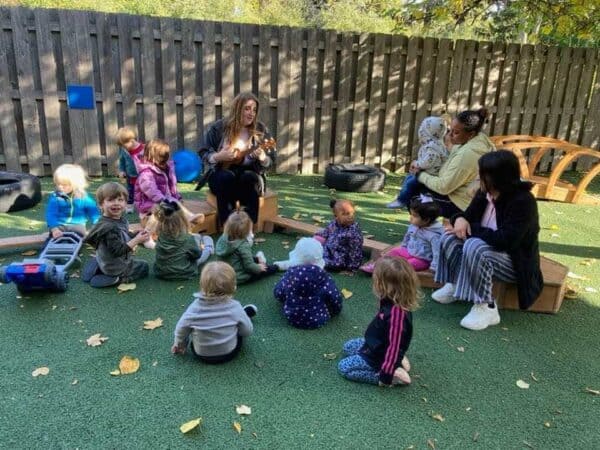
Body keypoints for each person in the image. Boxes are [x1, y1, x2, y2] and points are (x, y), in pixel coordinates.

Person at [431, 150, 543, 331]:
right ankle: (455, 285)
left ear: (498, 177)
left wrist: (470, 228)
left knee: (474, 245)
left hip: (514, 263)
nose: (479, 177)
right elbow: (467, 217)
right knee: (450, 236)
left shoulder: (523, 201)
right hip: (485, 252)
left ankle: (486, 306)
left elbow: (505, 241)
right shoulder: (485, 193)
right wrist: (458, 219)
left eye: (483, 174)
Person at [338, 257, 419, 386]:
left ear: (384, 285)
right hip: (374, 346)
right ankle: (399, 361)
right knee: (348, 346)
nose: (374, 282)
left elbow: (395, 346)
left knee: (344, 368)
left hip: (380, 356)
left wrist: (385, 377)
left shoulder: (397, 314)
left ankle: (392, 374)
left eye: (376, 279)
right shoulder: (388, 299)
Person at [198, 92, 276, 225]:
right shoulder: (219, 127)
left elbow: (270, 161)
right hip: (222, 177)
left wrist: (263, 158)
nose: (251, 113)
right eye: (247, 108)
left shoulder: (261, 129)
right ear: (237, 108)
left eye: (254, 110)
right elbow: (203, 152)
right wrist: (218, 156)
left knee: (249, 177)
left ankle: (249, 228)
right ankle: (227, 227)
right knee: (225, 177)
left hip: (247, 179)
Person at [171, 261, 258, 364]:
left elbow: (181, 329)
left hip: (201, 355)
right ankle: (245, 313)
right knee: (238, 321)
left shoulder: (194, 309)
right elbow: (247, 331)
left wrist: (179, 345)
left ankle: (242, 315)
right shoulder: (234, 307)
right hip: (229, 353)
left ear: (202, 286)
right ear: (234, 287)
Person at [415, 108, 495, 218]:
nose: (450, 135)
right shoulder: (479, 141)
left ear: (471, 134)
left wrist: (419, 175)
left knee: (415, 195)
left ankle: (428, 231)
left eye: (456, 132)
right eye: (450, 130)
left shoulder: (468, 154)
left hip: (463, 205)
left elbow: (444, 187)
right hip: (468, 198)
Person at [135, 139, 203, 248]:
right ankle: (146, 237)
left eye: (166, 158)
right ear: (152, 157)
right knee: (162, 209)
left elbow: (172, 186)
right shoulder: (146, 174)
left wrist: (177, 197)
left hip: (165, 205)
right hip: (147, 212)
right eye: (162, 159)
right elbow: (151, 191)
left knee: (174, 205)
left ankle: (189, 220)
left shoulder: (167, 168)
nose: (165, 162)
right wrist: (165, 201)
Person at [82, 182, 150, 288]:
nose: (116, 203)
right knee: (144, 266)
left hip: (105, 259)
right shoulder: (109, 228)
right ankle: (118, 279)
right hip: (116, 266)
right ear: (101, 204)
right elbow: (118, 251)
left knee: (109, 260)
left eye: (120, 200)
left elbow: (122, 235)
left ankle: (99, 265)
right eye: (111, 200)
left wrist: (135, 234)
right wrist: (137, 240)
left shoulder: (109, 221)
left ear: (125, 203)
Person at [361, 195, 444, 273]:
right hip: (409, 251)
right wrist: (403, 247)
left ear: (426, 220)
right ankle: (376, 266)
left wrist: (434, 267)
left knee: (405, 265)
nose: (411, 217)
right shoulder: (414, 226)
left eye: (414, 216)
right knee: (393, 252)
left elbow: (437, 252)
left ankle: (385, 271)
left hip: (422, 260)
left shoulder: (434, 235)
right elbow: (407, 237)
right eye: (411, 214)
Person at [273, 237, 343, 329]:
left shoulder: (290, 274)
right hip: (319, 319)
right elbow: (334, 296)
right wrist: (336, 310)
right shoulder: (323, 277)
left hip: (292, 316)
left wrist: (285, 299)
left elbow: (279, 292)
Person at [387, 116, 448, 209]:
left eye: (422, 130)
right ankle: (403, 197)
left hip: (430, 175)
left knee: (410, 183)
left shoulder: (432, 147)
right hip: (427, 173)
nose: (420, 132)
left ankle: (401, 200)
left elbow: (429, 161)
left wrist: (418, 164)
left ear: (427, 132)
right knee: (408, 179)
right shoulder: (435, 144)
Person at [153, 200, 214, 280]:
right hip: (184, 272)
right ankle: (209, 248)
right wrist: (200, 248)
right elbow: (197, 255)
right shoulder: (187, 238)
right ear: (182, 219)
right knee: (208, 240)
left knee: (196, 238)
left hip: (160, 272)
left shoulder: (161, 235)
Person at [215, 210, 277, 284]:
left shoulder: (223, 238)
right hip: (237, 277)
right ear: (247, 231)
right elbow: (249, 266)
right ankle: (277, 266)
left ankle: (258, 259)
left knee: (251, 258)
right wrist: (259, 268)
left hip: (222, 274)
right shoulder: (243, 244)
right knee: (266, 269)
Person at [45, 164, 100, 238]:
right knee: (53, 238)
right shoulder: (56, 197)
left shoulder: (82, 196)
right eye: (58, 184)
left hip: (77, 225)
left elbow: (93, 211)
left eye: (64, 185)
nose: (60, 187)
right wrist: (54, 229)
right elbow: (51, 214)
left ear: (75, 184)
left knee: (78, 236)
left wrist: (96, 222)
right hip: (60, 225)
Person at [314, 199, 363, 271]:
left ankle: (318, 263)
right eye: (344, 214)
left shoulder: (353, 232)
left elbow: (355, 250)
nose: (349, 216)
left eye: (351, 213)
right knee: (316, 253)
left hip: (339, 259)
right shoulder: (333, 224)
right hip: (328, 251)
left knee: (320, 262)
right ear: (336, 216)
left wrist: (352, 267)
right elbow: (326, 232)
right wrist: (318, 236)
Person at [116, 126, 144, 214]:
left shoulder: (143, 149)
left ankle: (144, 204)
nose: (123, 147)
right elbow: (122, 161)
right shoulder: (124, 150)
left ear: (131, 141)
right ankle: (130, 205)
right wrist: (121, 170)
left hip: (142, 175)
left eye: (124, 145)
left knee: (144, 190)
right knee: (130, 190)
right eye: (122, 146)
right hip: (130, 175)